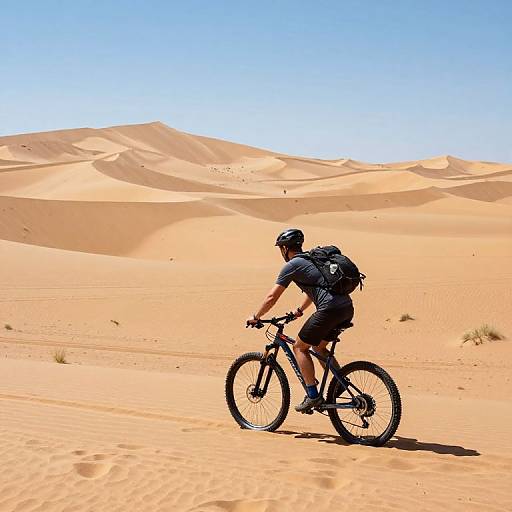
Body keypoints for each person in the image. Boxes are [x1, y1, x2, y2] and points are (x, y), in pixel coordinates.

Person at [247, 228, 354, 412]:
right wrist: (299, 311)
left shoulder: (292, 265)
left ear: (285, 249)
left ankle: (313, 396)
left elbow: (272, 297)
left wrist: (256, 317)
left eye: (281, 248)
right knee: (319, 347)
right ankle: (340, 383)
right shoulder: (312, 261)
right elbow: (316, 291)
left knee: (299, 347)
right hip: (346, 308)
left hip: (329, 309)